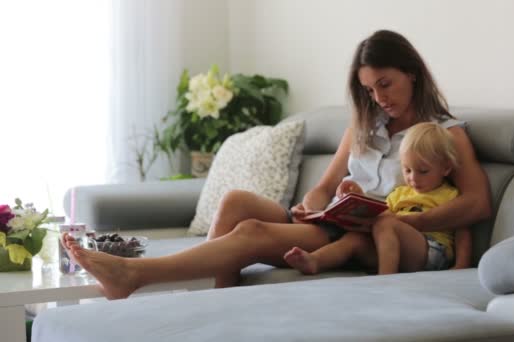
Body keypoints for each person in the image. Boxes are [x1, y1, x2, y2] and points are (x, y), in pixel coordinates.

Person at [62, 29, 491, 300]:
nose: (379, 97)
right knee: (234, 203)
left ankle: (135, 275)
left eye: (386, 84)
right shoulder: (364, 125)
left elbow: (477, 205)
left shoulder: (443, 132)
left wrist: (400, 220)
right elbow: (324, 186)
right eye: (369, 89)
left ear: (412, 73)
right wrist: (314, 203)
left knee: (251, 232)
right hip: (335, 221)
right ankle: (221, 302)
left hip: (379, 233)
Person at [284, 122, 472, 275]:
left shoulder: (450, 195)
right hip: (399, 251)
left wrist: (460, 267)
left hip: (431, 252)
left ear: (446, 168)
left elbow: (462, 230)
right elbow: (379, 213)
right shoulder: (400, 193)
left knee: (385, 223)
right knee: (356, 238)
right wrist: (358, 197)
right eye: (407, 170)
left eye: (423, 171)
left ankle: (385, 279)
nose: (413, 178)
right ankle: (315, 261)